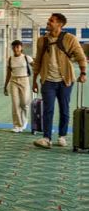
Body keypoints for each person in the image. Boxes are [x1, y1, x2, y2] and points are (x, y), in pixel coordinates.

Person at [31, 13, 87, 149]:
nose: (48, 22)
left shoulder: (70, 39)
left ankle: (62, 136)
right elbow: (37, 61)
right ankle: (46, 138)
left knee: (64, 109)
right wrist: (34, 80)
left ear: (59, 24)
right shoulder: (41, 40)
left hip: (65, 80)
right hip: (47, 80)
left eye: (51, 21)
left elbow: (81, 56)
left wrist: (83, 73)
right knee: (47, 110)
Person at [4, 40, 33, 133]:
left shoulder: (26, 58)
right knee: (15, 104)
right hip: (14, 81)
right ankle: (17, 125)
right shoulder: (10, 59)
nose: (15, 49)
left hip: (24, 80)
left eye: (17, 47)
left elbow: (35, 66)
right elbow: (8, 73)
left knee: (24, 102)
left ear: (21, 48)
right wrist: (5, 85)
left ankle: (24, 120)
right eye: (14, 47)